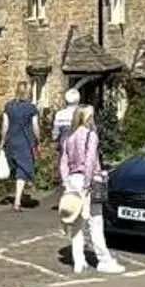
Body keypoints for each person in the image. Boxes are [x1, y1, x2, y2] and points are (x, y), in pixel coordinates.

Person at [57, 103, 123, 274]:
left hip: (72, 180)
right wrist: (88, 182)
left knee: (77, 223)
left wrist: (66, 182)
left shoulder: (68, 136)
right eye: (92, 115)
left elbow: (63, 162)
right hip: (88, 181)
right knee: (96, 222)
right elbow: (90, 160)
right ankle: (104, 260)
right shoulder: (91, 135)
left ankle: (78, 261)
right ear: (87, 118)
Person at [1, 83, 41, 211]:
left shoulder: (9, 106)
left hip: (11, 141)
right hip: (25, 142)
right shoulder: (31, 108)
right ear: (27, 92)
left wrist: (2, 141)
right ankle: (17, 202)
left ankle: (20, 195)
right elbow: (35, 127)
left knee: (17, 168)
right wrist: (38, 140)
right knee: (23, 171)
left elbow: (5, 126)